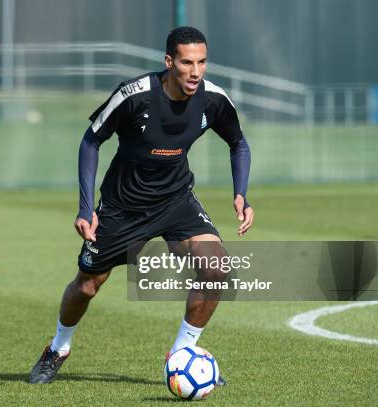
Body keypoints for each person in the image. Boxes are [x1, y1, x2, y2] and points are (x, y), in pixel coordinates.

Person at [29, 26, 254, 384]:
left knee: (215, 267)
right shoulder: (134, 96)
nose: (195, 72)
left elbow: (238, 143)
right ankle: (58, 348)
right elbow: (91, 141)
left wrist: (241, 193)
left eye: (202, 62)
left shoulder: (213, 99)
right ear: (169, 62)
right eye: (186, 62)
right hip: (123, 207)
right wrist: (86, 208)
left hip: (176, 200)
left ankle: (183, 353)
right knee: (87, 285)